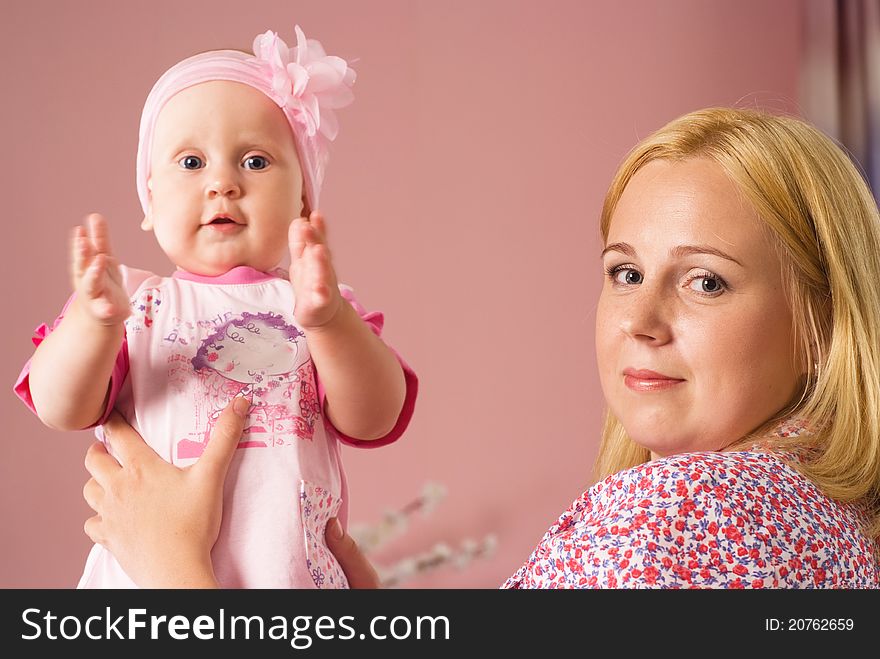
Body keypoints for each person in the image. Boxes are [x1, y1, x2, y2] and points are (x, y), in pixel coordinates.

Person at [84, 107, 879, 588]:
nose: (641, 318)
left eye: (705, 282)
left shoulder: (686, 510)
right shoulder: (825, 522)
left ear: (819, 321)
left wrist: (174, 575)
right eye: (625, 271)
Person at [14, 24, 418, 589]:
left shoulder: (316, 305)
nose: (222, 183)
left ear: (303, 196)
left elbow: (377, 415)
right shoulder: (136, 303)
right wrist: (92, 322)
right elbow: (61, 407)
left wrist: (330, 325)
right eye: (190, 162)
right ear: (149, 199)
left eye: (254, 161)